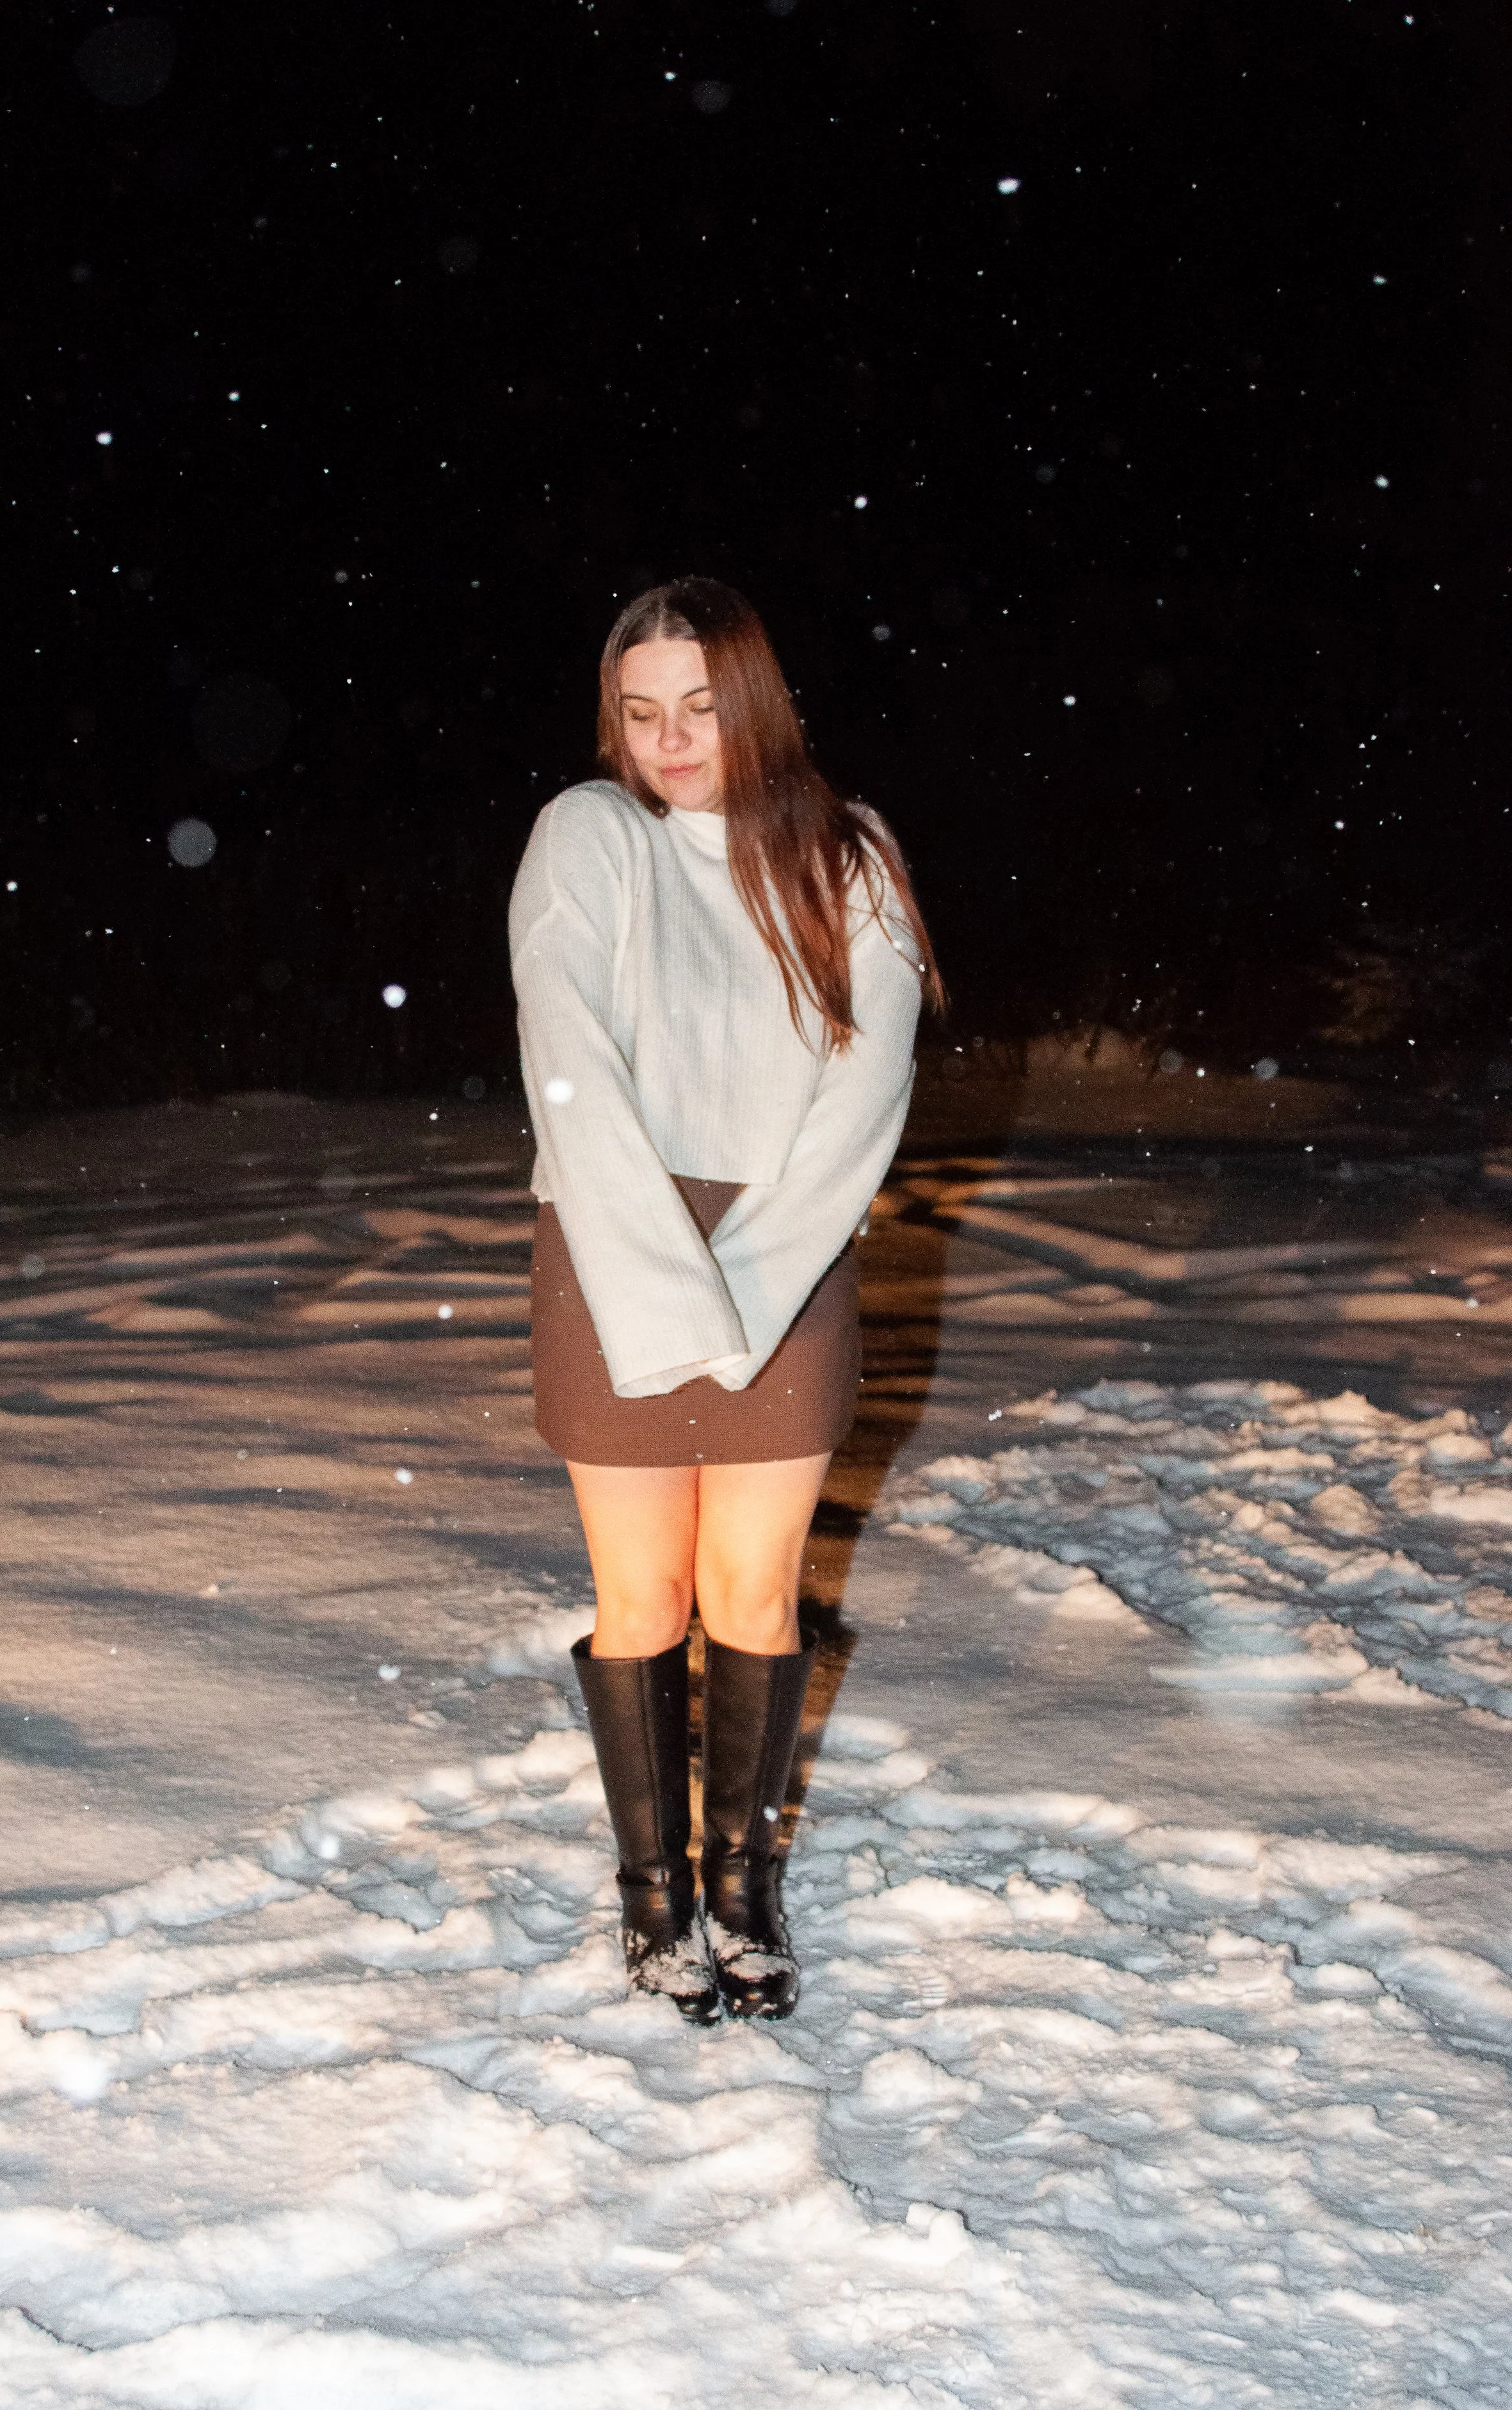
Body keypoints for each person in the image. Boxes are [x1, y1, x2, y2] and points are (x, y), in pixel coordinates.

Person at [509, 577, 943, 2024]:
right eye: (641, 711)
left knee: (755, 1590)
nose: (670, 740)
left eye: (698, 706)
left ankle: (742, 1886)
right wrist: (655, 1280)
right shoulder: (587, 836)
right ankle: (652, 1901)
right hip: (608, 1235)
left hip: (788, 1248)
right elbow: (564, 1056)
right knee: (643, 1594)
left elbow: (863, 1090)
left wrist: (745, 1287)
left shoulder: (848, 857)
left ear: (751, 700)